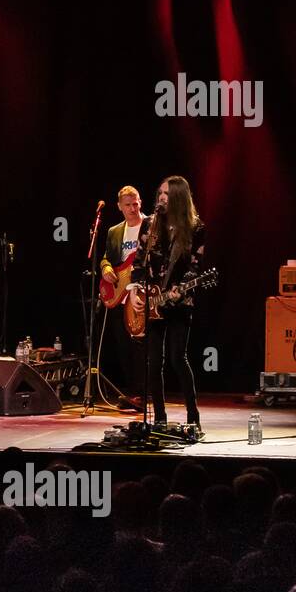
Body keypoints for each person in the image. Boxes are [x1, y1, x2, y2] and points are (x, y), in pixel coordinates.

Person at [134, 176, 206, 431]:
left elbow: (196, 268)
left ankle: (193, 415)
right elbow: (138, 263)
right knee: (154, 362)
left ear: (178, 197)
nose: (161, 197)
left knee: (178, 358)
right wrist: (137, 294)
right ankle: (160, 418)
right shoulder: (149, 225)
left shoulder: (194, 228)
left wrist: (179, 290)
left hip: (179, 302)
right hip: (152, 302)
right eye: (160, 192)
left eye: (167, 193)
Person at [99, 186, 148, 410]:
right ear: (119, 206)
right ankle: (133, 392)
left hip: (141, 292)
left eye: (135, 203)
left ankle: (144, 393)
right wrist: (106, 268)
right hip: (120, 292)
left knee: (140, 343)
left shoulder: (151, 225)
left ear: (141, 202)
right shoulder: (114, 231)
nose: (132, 208)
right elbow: (107, 258)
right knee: (123, 343)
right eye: (127, 205)